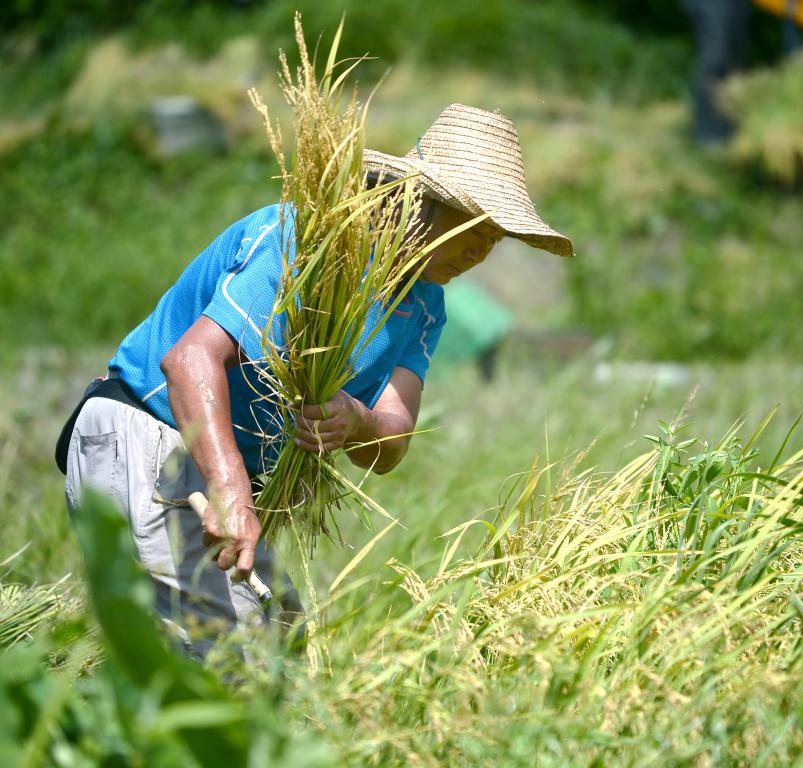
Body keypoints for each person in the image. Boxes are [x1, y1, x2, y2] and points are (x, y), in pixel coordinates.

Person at [58, 103, 573, 651]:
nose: (481, 250)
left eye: (495, 236)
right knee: (216, 666)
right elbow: (189, 362)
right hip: (153, 436)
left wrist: (357, 422)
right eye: (473, 225)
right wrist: (231, 490)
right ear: (416, 201)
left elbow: (391, 440)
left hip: (216, 473)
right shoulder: (309, 243)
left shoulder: (425, 305)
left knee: (282, 644)